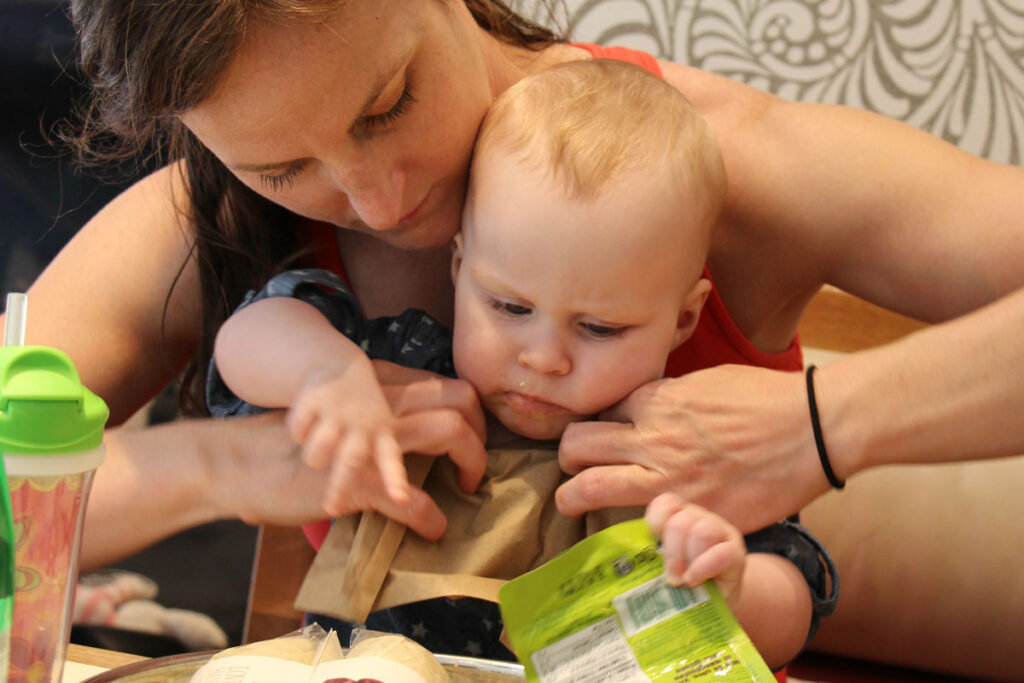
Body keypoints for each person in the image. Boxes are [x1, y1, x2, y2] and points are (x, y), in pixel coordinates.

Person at [5, 0, 1022, 675]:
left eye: (387, 103)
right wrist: (219, 462)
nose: (379, 198)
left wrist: (820, 422)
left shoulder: (727, 165)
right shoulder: (211, 217)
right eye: (284, 169)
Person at [207, 59, 833, 671]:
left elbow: (801, 583)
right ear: (459, 268)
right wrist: (324, 373)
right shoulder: (413, 377)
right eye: (509, 306)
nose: (543, 357)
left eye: (599, 328)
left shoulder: (679, 442)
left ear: (683, 322)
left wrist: (737, 590)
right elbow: (250, 336)